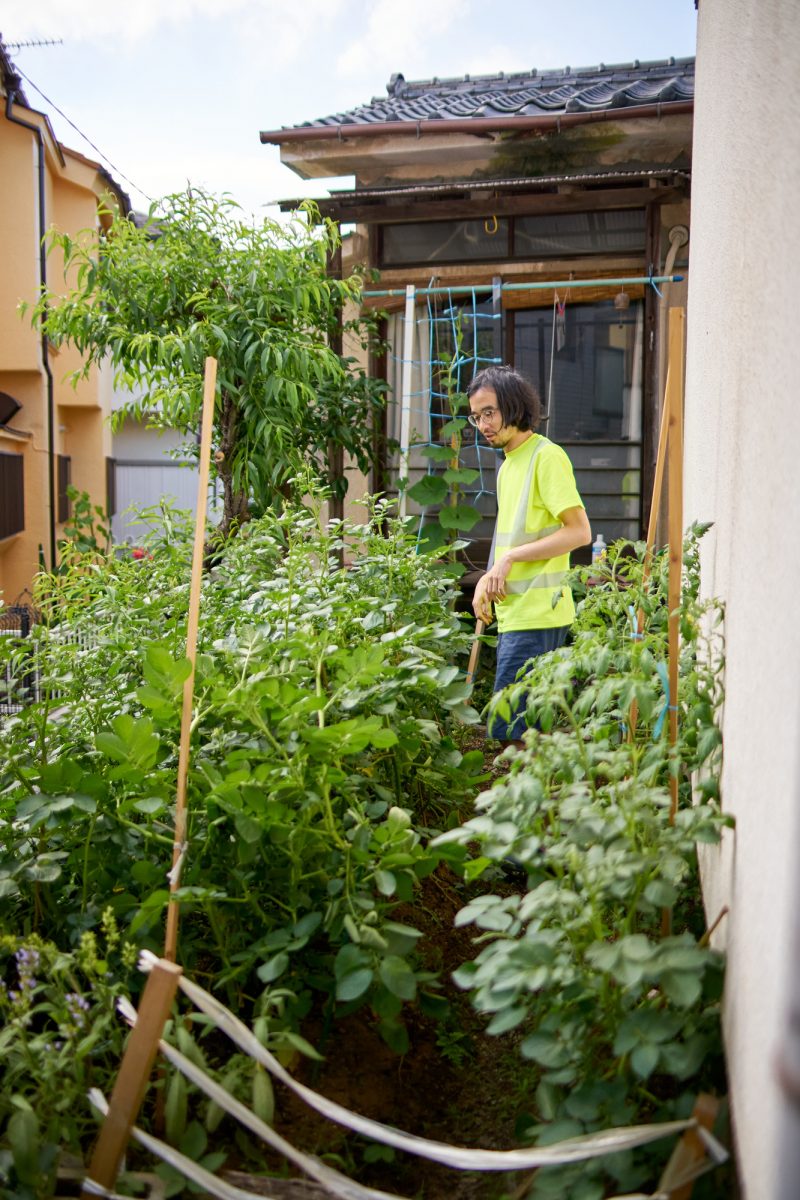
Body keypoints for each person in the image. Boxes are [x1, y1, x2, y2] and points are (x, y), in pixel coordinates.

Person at [468, 365, 591, 745]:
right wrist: (485, 581)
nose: (483, 424)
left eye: (489, 412)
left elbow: (579, 532)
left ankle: (530, 802)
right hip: (515, 610)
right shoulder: (508, 465)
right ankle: (536, 799)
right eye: (476, 417)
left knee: (511, 728)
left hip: (540, 614)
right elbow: (511, 539)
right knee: (523, 727)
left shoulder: (545, 457)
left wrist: (509, 561)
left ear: (513, 405)